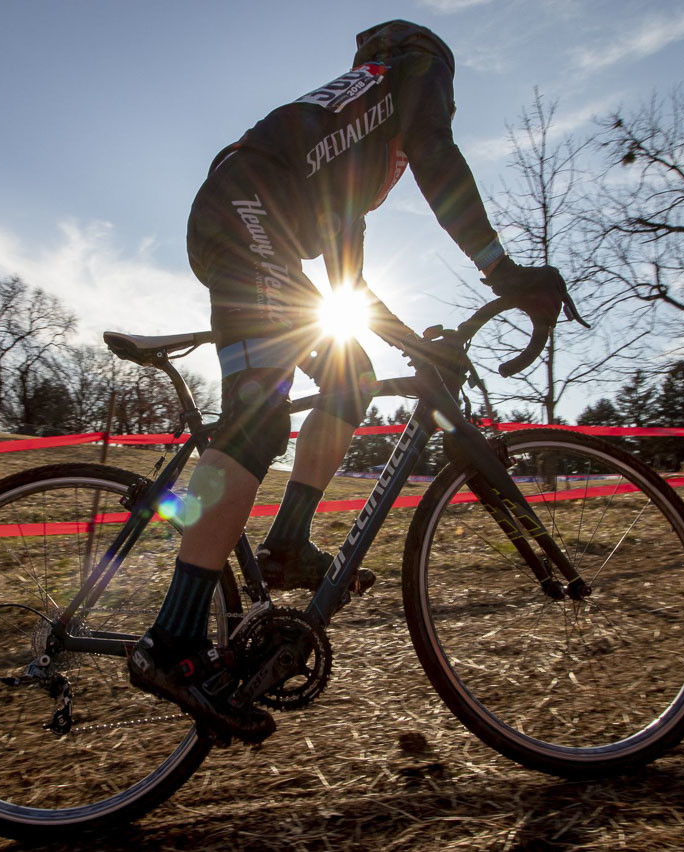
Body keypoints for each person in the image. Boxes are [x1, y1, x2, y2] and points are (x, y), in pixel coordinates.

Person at [128, 20, 574, 742]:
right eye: (447, 103)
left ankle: (288, 542)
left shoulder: (349, 153)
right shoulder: (411, 73)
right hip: (246, 215)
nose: (439, 113)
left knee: (351, 371)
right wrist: (505, 272)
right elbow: (435, 150)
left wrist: (414, 347)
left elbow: (350, 290)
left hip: (245, 214)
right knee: (260, 417)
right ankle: (173, 643)